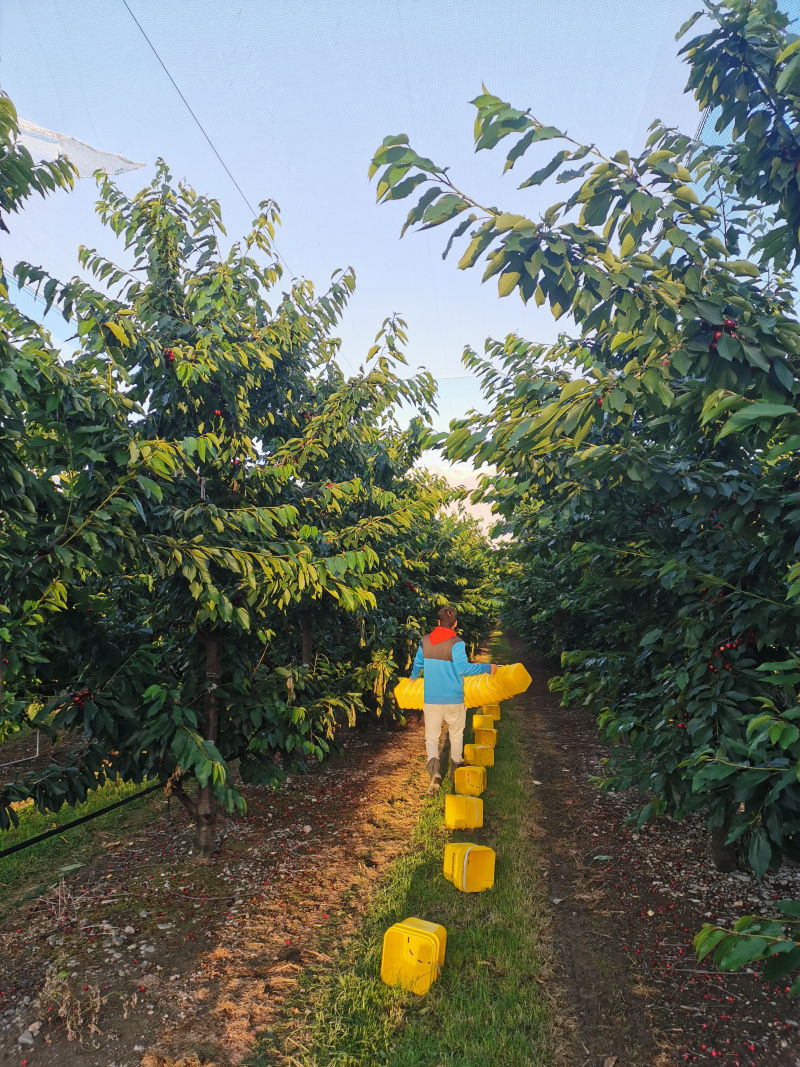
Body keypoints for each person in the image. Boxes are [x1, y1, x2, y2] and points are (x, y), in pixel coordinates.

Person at [410, 605, 496, 795]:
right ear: (455, 624)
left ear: (437, 622)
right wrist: (487, 668)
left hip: (432, 699)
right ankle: (456, 771)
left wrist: (413, 678)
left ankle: (434, 774)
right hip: (454, 699)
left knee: (432, 737)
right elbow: (464, 669)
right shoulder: (457, 643)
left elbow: (418, 663)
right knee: (456, 734)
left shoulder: (425, 641)